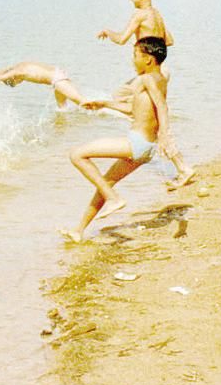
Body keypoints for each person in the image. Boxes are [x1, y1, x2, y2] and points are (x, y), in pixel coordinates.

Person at [62, 37, 196, 242]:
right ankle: (78, 231)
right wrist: (104, 104)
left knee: (77, 154)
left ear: (149, 59)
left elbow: (162, 107)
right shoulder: (159, 78)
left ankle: (114, 199)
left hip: (137, 143)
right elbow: (134, 110)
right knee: (106, 182)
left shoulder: (146, 79)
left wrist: (165, 136)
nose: (132, 61)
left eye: (135, 56)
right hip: (145, 148)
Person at [96, 0, 173, 49]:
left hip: (144, 60)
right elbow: (169, 41)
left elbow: (121, 40)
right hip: (158, 61)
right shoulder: (157, 14)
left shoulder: (140, 15)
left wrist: (107, 31)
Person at [0, 61, 91, 108]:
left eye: (14, 84)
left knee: (83, 103)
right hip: (57, 76)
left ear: (13, 79)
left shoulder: (18, 72)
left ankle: (107, 109)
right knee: (62, 109)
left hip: (58, 80)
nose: (19, 83)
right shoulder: (19, 66)